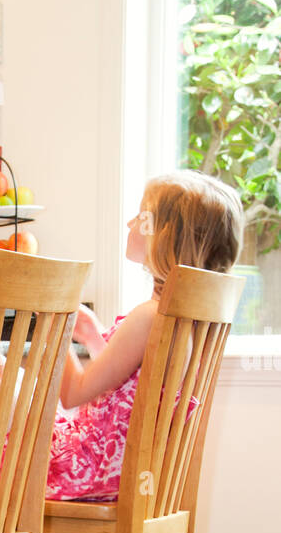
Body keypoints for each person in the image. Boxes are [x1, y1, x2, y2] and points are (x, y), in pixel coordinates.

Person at [45, 170, 243, 500]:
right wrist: (94, 338)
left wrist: (55, 330)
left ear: (164, 236)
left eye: (140, 216)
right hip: (131, 474)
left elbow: (73, 394)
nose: (129, 224)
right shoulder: (182, 318)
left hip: (89, 472)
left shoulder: (150, 317)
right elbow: (132, 389)